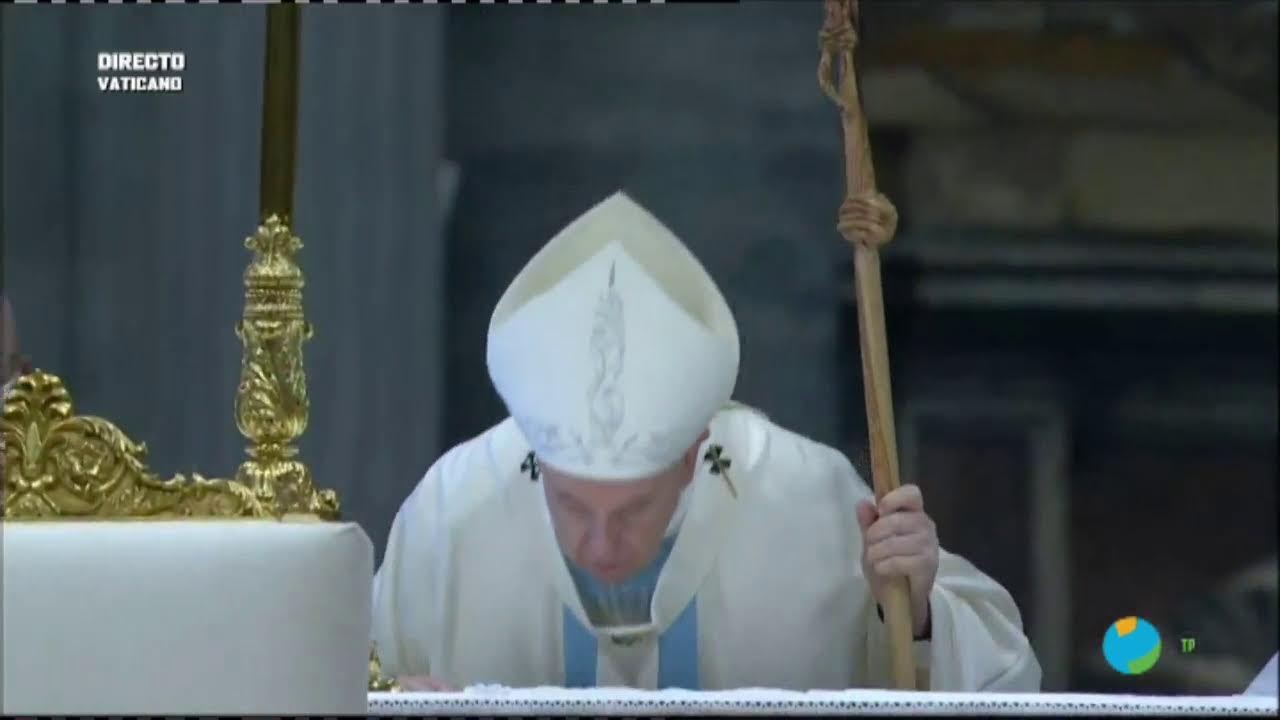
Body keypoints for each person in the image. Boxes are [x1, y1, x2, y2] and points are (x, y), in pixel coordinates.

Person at [372, 192, 1042, 692]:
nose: (601, 545)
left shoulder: (803, 495)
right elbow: (353, 677)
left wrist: (915, 612)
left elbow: (1002, 677)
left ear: (694, 453)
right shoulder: (454, 510)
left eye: (632, 510)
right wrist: (392, 700)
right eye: (572, 506)